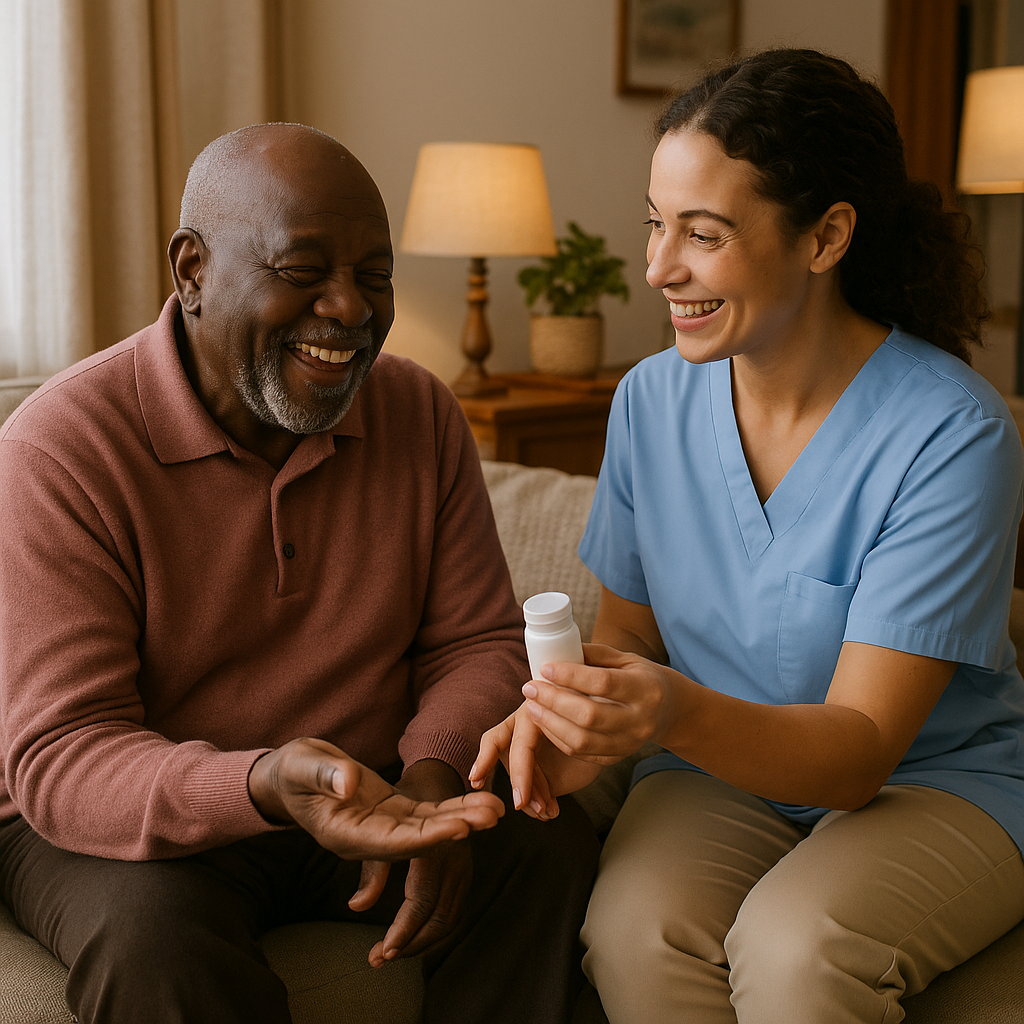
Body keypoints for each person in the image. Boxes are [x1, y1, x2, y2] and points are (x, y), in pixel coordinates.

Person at [0, 122, 598, 1024]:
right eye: (302, 269)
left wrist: (434, 784)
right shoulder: (62, 451)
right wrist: (261, 782)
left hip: (369, 785)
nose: (351, 309)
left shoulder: (417, 412)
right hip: (132, 817)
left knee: (541, 845)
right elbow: (64, 754)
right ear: (192, 270)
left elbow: (475, 641)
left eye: (375, 275)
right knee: (153, 941)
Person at [472, 48, 1024, 1023]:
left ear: (825, 236)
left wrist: (666, 713)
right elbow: (633, 639)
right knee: (636, 931)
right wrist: (579, 724)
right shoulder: (648, 402)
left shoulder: (953, 434)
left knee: (797, 949)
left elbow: (858, 752)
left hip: (929, 779)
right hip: (718, 772)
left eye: (704, 233)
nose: (657, 267)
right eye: (655, 224)